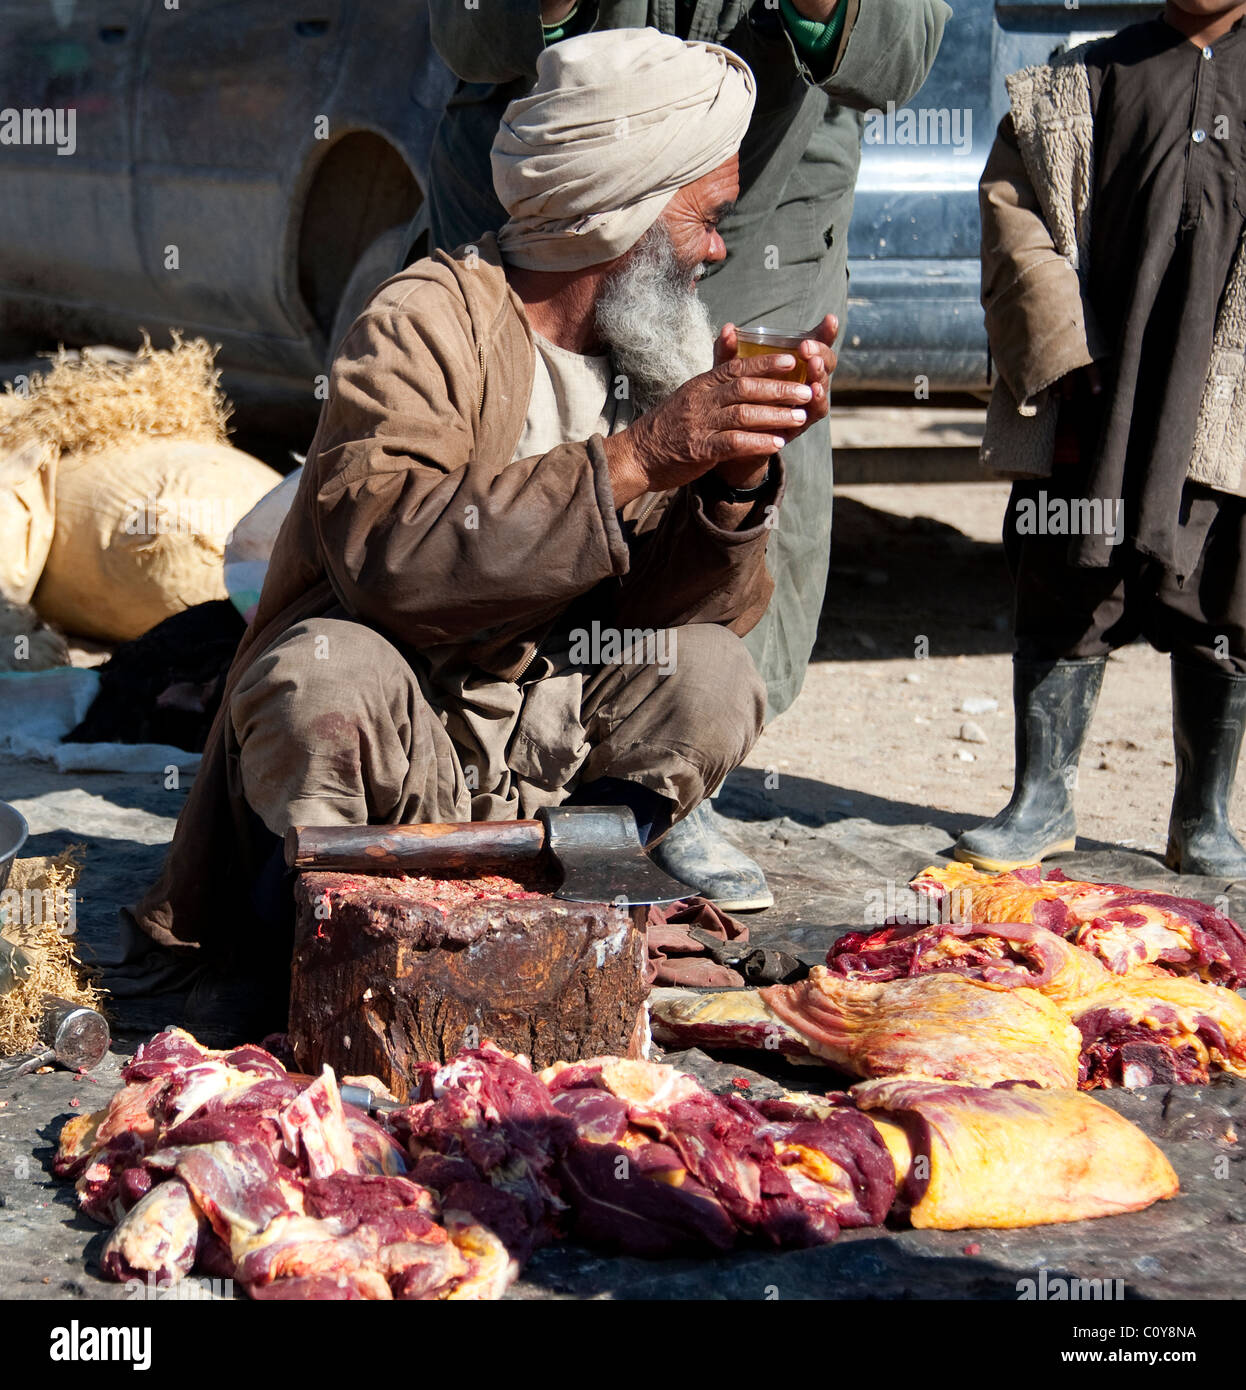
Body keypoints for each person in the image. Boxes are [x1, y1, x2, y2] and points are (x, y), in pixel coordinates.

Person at [116, 31, 835, 1021]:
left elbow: (685, 610)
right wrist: (644, 457)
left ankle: (580, 889)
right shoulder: (424, 319)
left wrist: (737, 477)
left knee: (710, 672)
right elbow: (391, 559)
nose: (718, 248)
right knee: (319, 675)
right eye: (706, 217)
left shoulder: (646, 353)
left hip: (541, 744)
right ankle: (324, 922)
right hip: (402, 731)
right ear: (618, 214)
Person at [411, 0, 949, 906]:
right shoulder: (423, 324)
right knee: (517, 446)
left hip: (758, 201)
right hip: (549, 183)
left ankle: (662, 786)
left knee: (736, 461)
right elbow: (465, 34)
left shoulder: (726, 225)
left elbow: (899, 53)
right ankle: (472, 747)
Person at [958, 0, 1246, 876]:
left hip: (1225, 399)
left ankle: (1203, 817)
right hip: (1099, 393)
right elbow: (1018, 216)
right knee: (1064, 579)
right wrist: (1057, 345)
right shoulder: (1081, 81)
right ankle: (1041, 800)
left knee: (1226, 593)